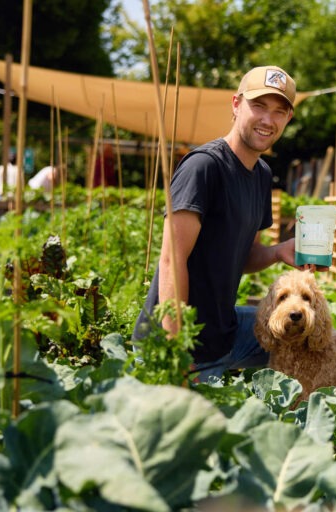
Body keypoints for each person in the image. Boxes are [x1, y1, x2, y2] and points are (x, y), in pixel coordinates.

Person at [133, 65, 315, 381]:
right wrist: (175, 350)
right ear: (235, 104)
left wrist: (278, 252)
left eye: (279, 112)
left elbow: (245, 256)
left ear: (288, 119)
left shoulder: (260, 176)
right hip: (181, 345)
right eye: (258, 106)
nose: (268, 120)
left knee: (313, 338)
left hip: (224, 332)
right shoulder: (204, 167)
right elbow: (171, 260)